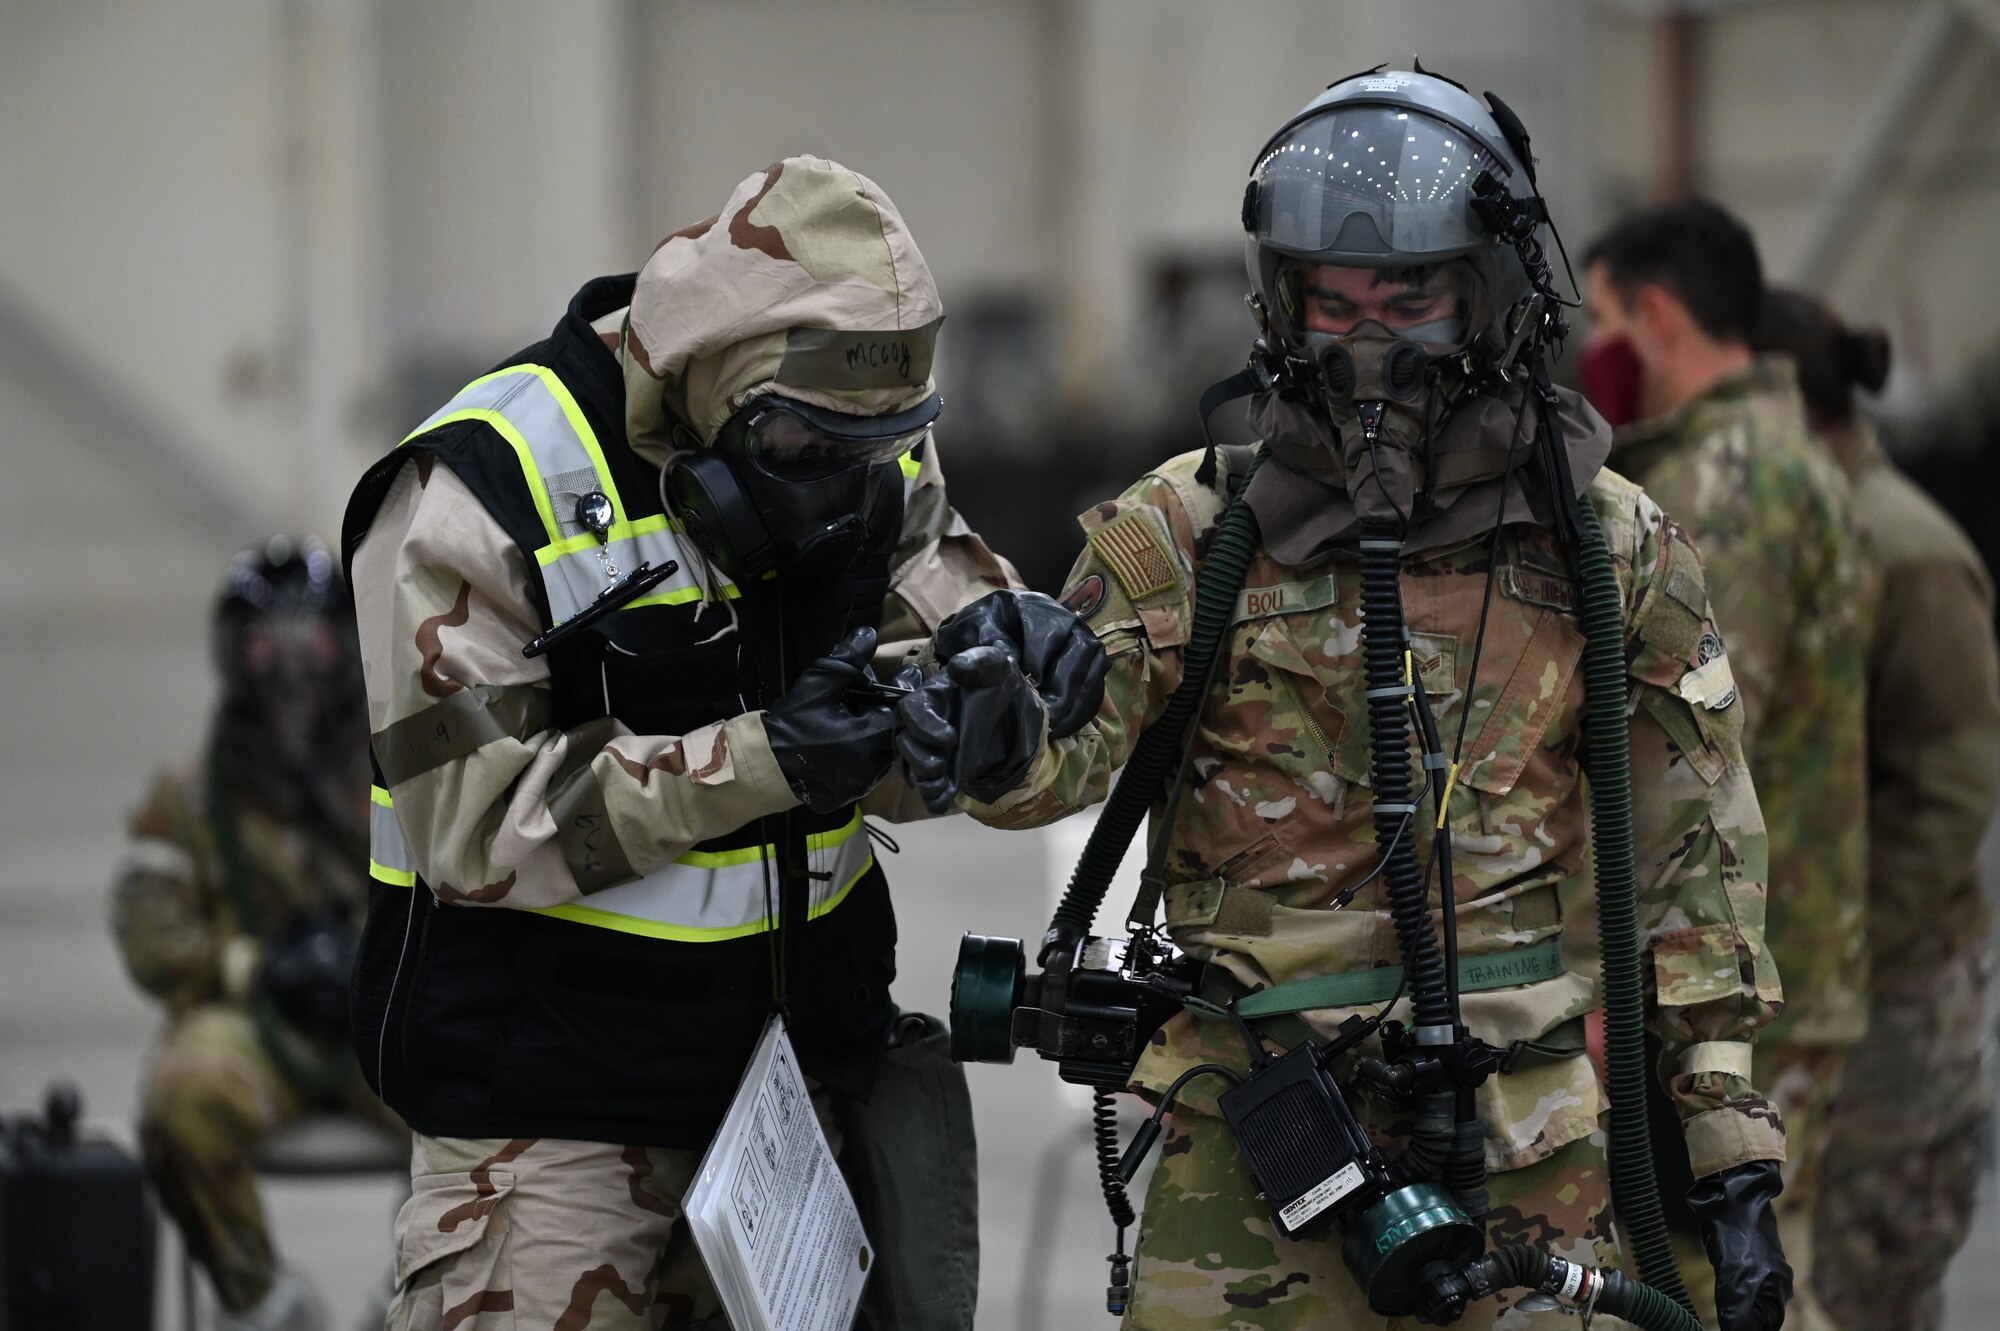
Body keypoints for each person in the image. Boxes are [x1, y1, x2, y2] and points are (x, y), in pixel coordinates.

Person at [899, 70, 1789, 1331]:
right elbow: (1059, 772)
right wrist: (994, 724)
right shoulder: (1188, 533)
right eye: (1332, 300)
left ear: (1486, 293)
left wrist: (1731, 1159)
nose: (1368, 342)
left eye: (1409, 298)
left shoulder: (1608, 546)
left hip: (1523, 1151)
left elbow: (1698, 866)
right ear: (1280, 302)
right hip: (1252, 1156)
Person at [342, 156, 1071, 1330]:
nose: (847, 491)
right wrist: (762, 758)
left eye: (880, 448)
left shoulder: (860, 437)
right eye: (804, 452)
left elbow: (932, 587)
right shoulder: (484, 486)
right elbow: (470, 828)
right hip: (558, 1127)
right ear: (716, 389)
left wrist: (994, 678)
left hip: (795, 1100)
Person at [1580, 203, 1874, 1331]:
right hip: (1782, 948)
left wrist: (1624, 977)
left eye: (1603, 320)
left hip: (1734, 975)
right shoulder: (1795, 456)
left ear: (1655, 314)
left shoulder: (1722, 485)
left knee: (1742, 1285)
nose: (1594, 354)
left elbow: (1684, 758)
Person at [1761, 289, 2000, 1331]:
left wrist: (1835, 949)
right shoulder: (1795, 532)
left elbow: (1950, 793)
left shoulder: (1904, 547)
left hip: (1892, 1023)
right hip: (1817, 1012)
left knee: (1869, 1287)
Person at [113, 537, 396, 1331]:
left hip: (377, 1016)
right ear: (236, 656)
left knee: (487, 1098)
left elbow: (468, 901)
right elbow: (149, 927)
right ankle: (266, 1303)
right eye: (270, 645)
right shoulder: (194, 795)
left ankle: (419, 1303)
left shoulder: (402, 778)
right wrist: (250, 969)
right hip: (253, 1021)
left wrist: (376, 965)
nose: (294, 668)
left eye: (315, 641)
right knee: (182, 1106)